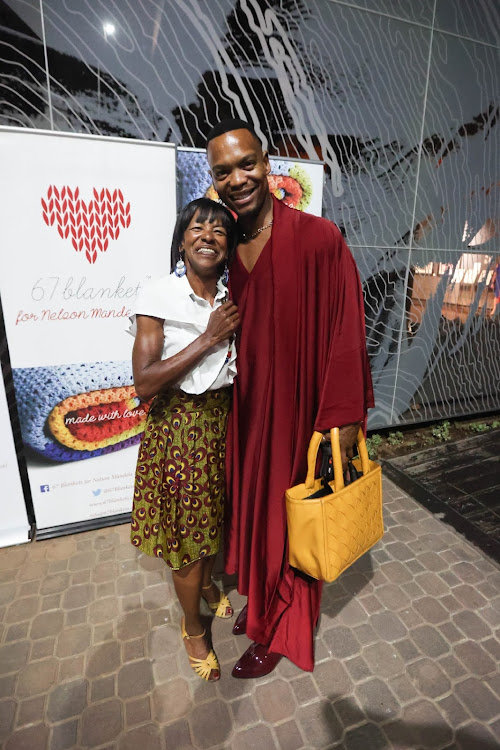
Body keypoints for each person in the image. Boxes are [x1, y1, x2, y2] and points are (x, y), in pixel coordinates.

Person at [206, 119, 374, 678]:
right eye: (222, 171)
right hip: (248, 413)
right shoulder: (226, 252)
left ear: (267, 163)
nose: (237, 179)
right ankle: (260, 600)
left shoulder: (318, 237)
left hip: (301, 412)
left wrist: (344, 418)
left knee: (295, 520)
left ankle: (282, 629)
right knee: (257, 515)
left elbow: (348, 327)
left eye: (246, 163)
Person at [129, 198, 239, 681]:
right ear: (181, 241)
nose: (208, 236)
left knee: (215, 522)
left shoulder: (234, 295)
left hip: (224, 422)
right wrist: (209, 338)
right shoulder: (158, 296)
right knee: (187, 541)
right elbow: (145, 383)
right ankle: (192, 625)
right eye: (198, 227)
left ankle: (211, 585)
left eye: (219, 230)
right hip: (181, 430)